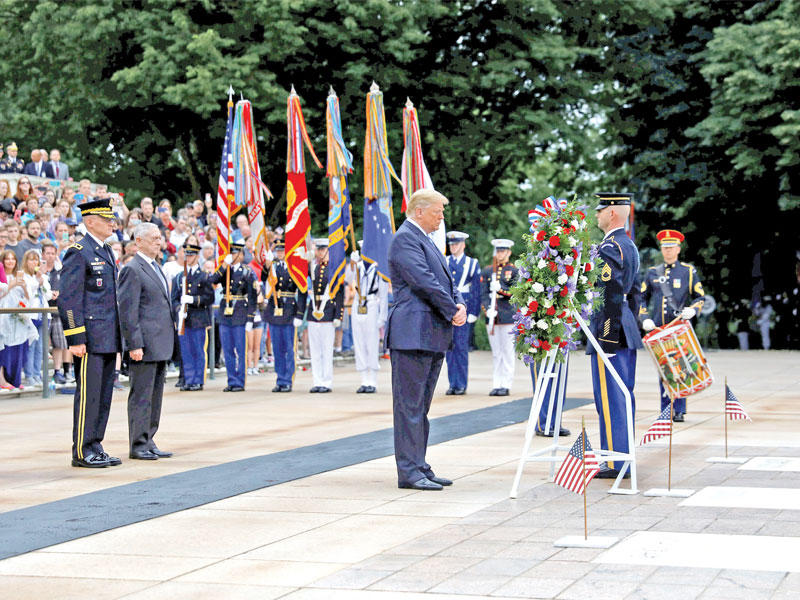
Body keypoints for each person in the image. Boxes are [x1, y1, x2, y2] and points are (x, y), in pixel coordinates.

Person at [386, 189, 467, 491]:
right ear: (419, 211)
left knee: (420, 407)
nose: (441, 217)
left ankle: (419, 465)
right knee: (409, 406)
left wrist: (458, 304)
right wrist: (452, 309)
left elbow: (446, 281)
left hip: (429, 333)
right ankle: (408, 471)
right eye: (438, 212)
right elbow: (423, 281)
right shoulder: (405, 239)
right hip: (412, 334)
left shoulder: (426, 241)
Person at [57, 198, 123, 468]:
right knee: (89, 395)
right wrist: (76, 338)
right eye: (106, 219)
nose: (111, 223)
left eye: (112, 219)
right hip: (90, 337)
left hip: (108, 335)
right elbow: (69, 299)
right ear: (89, 221)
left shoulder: (106, 251)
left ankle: (96, 444)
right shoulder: (78, 251)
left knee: (104, 394)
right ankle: (83, 450)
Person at [587, 192, 642, 479]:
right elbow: (635, 293)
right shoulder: (629, 245)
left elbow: (609, 293)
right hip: (626, 328)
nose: (596, 215)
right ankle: (622, 455)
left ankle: (615, 461)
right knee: (623, 394)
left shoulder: (610, 247)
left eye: (600, 211)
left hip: (611, 331)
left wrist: (606, 338)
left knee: (610, 397)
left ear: (612, 214)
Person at [118, 222, 175, 460]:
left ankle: (149, 438)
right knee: (141, 395)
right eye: (153, 238)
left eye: (159, 237)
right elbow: (128, 311)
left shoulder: (156, 267)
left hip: (160, 342)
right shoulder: (133, 269)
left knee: (155, 396)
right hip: (144, 343)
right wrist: (134, 344)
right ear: (138, 241)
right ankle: (138, 443)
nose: (158, 241)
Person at [640, 229, 705, 422]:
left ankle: (679, 408)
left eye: (671, 247)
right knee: (664, 368)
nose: (667, 251)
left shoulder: (688, 271)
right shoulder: (652, 273)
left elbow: (700, 296)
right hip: (659, 329)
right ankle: (666, 408)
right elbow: (641, 299)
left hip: (680, 327)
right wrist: (644, 319)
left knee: (681, 366)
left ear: (678, 248)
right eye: (664, 247)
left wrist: (693, 310)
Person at [209, 241, 257, 392]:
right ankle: (231, 380)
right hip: (225, 313)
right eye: (232, 253)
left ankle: (239, 381)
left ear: (242, 255)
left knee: (240, 349)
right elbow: (212, 281)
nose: (233, 255)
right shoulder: (225, 270)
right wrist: (224, 265)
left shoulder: (247, 273)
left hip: (240, 313)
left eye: (236, 253)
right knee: (228, 349)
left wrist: (250, 318)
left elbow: (253, 297)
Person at [262, 241, 306, 392]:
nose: (280, 254)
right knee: (277, 348)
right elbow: (263, 278)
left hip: (289, 309)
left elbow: (302, 291)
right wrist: (266, 265)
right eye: (278, 251)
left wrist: (300, 313)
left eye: (282, 251)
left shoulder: (294, 268)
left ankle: (287, 379)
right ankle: (280, 379)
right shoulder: (273, 267)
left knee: (288, 347)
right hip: (275, 309)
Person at [346, 241, 388, 393]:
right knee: (359, 342)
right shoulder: (357, 266)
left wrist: (382, 317)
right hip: (358, 304)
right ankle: (364, 379)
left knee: (371, 343)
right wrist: (352, 263)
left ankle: (373, 380)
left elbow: (383, 295)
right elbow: (348, 280)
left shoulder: (378, 269)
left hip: (371, 304)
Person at [171, 242, 215, 391]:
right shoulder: (179, 277)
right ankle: (189, 379)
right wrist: (178, 308)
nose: (187, 258)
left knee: (197, 350)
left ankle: (198, 379)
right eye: (186, 255)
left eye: (190, 255)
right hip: (184, 319)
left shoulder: (203, 276)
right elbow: (174, 298)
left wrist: (193, 300)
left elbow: (209, 298)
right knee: (186, 351)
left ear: (197, 256)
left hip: (198, 318)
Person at [443, 231, 481, 395]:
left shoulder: (472, 263)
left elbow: (476, 290)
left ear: (463, 245)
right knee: (449, 348)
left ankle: (461, 384)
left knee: (461, 347)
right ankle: (453, 383)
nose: (453, 247)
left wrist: (474, 311)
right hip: (448, 307)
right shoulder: (445, 261)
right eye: (451, 244)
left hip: (463, 305)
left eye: (456, 244)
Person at [480, 239, 519, 396]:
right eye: (498, 251)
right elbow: (482, 294)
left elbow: (516, 293)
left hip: (508, 316)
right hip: (493, 317)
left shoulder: (514, 271)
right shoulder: (488, 271)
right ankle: (497, 383)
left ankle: (506, 384)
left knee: (507, 351)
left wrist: (501, 290)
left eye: (503, 251)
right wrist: (487, 310)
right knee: (496, 353)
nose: (500, 254)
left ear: (509, 252)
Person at [305, 238, 344, 393]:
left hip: (328, 312)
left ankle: (326, 382)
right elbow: (302, 276)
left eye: (323, 250)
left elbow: (339, 294)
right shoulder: (313, 267)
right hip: (314, 312)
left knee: (326, 350)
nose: (321, 253)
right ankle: (317, 380)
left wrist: (338, 316)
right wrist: (304, 259)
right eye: (319, 250)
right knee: (315, 350)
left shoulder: (334, 270)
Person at [21, 249, 52, 386]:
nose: (34, 263)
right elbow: (27, 293)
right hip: (31, 315)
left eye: (36, 260)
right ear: (26, 262)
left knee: (41, 347)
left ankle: (37, 373)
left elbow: (48, 295)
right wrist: (36, 283)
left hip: (45, 315)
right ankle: (29, 375)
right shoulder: (24, 277)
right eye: (31, 260)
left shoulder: (43, 277)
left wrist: (42, 281)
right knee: (31, 346)